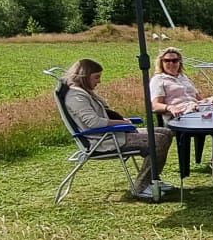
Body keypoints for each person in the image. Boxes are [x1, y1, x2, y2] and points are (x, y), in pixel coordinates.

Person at [63, 58, 175, 200]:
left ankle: (153, 179)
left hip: (112, 134)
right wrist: (121, 122)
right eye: (96, 77)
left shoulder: (84, 92)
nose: (99, 81)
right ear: (84, 76)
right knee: (158, 140)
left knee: (165, 132)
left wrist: (122, 123)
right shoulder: (76, 96)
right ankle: (141, 186)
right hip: (103, 140)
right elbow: (93, 123)